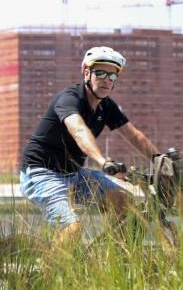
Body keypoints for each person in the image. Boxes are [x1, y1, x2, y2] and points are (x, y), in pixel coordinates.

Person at [19, 46, 160, 244]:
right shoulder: (69, 99)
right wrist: (103, 161)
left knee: (125, 203)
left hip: (74, 174)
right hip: (42, 173)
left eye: (112, 76)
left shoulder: (107, 106)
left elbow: (134, 135)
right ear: (87, 72)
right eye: (101, 73)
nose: (107, 80)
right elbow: (78, 131)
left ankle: (107, 256)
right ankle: (48, 273)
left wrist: (161, 160)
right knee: (73, 229)